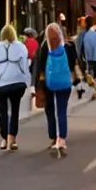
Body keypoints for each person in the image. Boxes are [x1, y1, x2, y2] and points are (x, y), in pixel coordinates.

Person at [0, 24, 31, 151]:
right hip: (17, 82)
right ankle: (12, 139)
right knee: (15, 110)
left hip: (1, 84)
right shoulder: (21, 47)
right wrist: (27, 82)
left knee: (3, 112)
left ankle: (3, 139)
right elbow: (25, 66)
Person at [41, 22, 73, 157]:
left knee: (50, 109)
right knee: (62, 110)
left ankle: (53, 136)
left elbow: (40, 64)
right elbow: (73, 64)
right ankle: (62, 138)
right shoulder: (69, 47)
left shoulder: (44, 48)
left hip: (49, 82)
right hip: (65, 83)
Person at [82, 17, 96, 83]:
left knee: (89, 65)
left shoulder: (85, 34)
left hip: (88, 55)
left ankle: (90, 76)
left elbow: (83, 45)